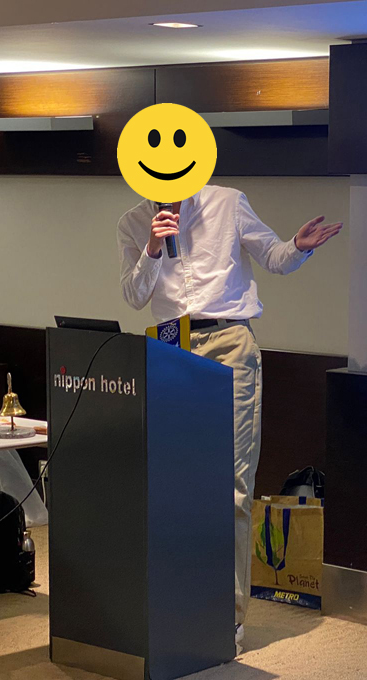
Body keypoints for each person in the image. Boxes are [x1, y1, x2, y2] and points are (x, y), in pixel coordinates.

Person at [117, 184, 341, 654]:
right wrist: (153, 247)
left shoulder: (227, 202)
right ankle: (179, 603)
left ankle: (228, 618)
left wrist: (298, 247)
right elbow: (134, 295)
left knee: (233, 484)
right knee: (175, 483)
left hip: (228, 344)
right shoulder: (133, 223)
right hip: (170, 346)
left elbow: (274, 256)